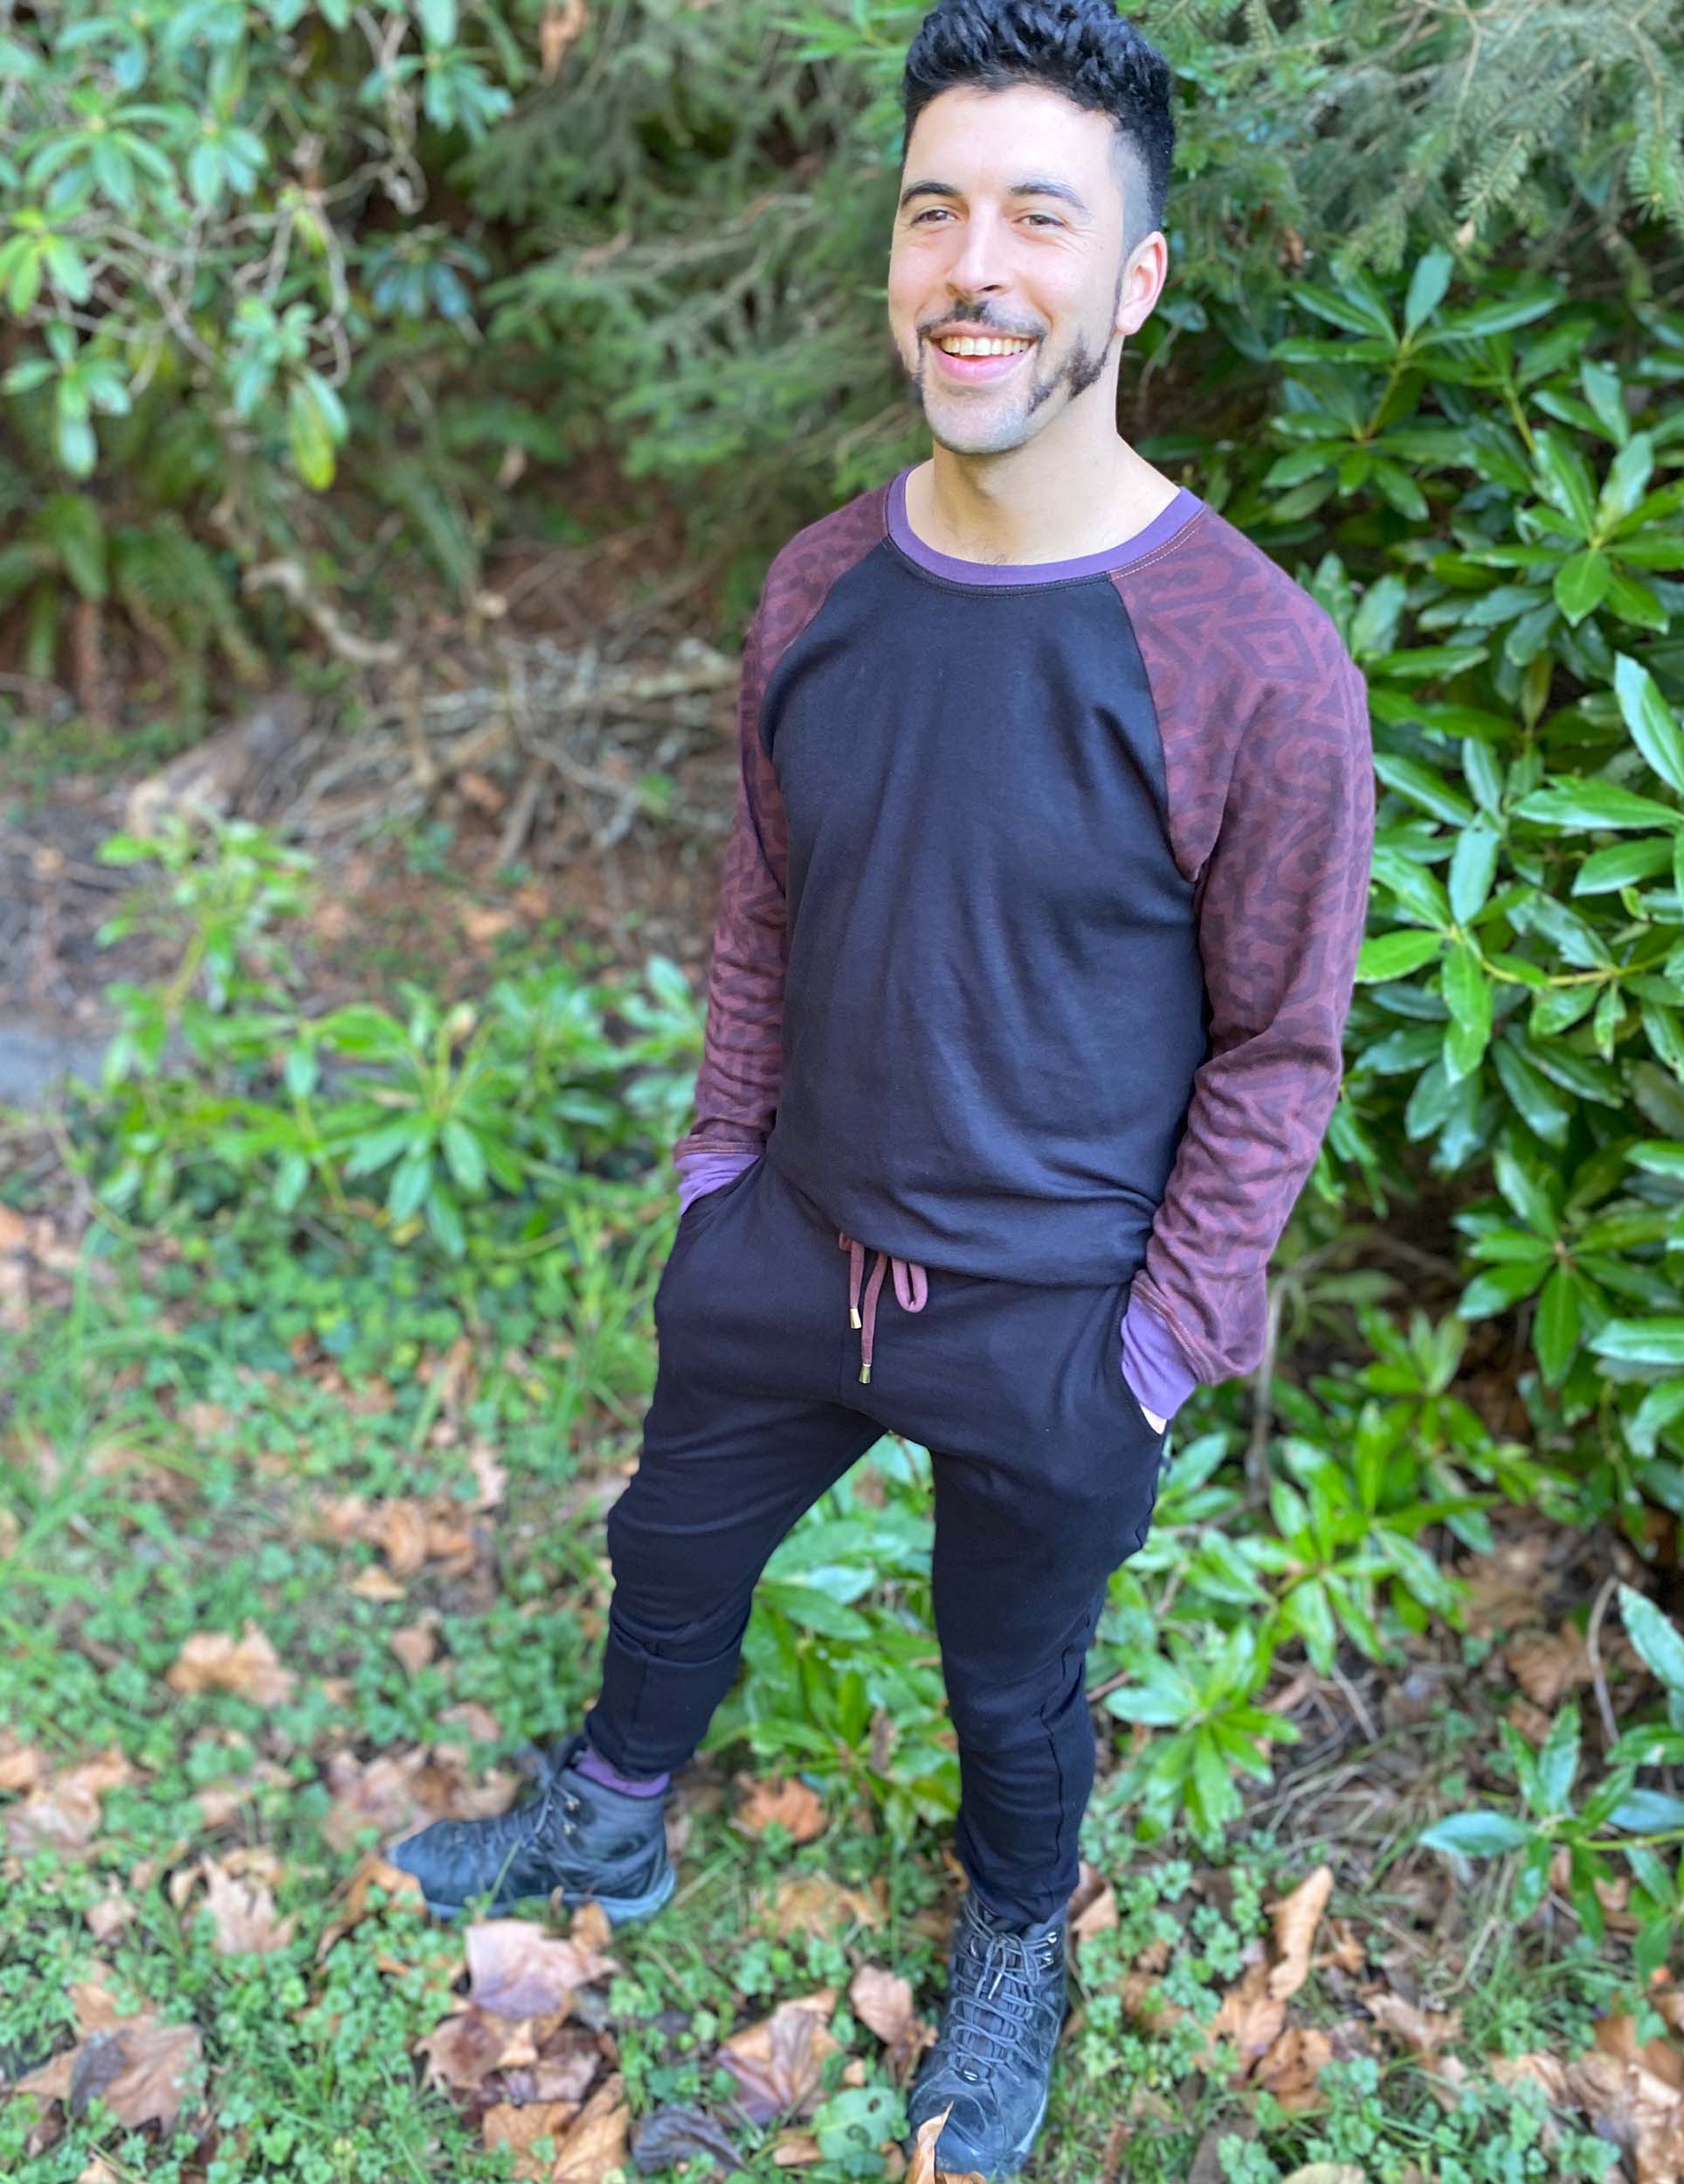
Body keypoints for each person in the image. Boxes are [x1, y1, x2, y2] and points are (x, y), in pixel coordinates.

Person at [393, 1, 1377, 2172]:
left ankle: (1016, 1941)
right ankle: (613, 1816)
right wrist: (719, 1171)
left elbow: (1280, 1044)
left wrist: (1151, 1347)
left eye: (1040, 215)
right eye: (935, 209)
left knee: (1011, 1690)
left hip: (1048, 1315)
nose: (973, 264)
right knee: (667, 1547)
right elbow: (763, 904)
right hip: (786, 1242)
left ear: (1131, 282)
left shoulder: (1248, 656)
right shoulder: (821, 582)